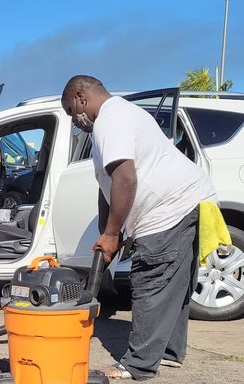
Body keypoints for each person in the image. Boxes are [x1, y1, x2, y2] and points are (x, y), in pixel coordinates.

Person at [61, 75, 215, 380]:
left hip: (168, 209)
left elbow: (126, 179)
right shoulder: (119, 115)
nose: (74, 121)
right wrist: (107, 233)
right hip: (187, 202)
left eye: (71, 113)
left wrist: (113, 233)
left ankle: (138, 364)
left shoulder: (110, 120)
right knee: (174, 284)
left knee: (151, 279)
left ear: (81, 98)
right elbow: (106, 185)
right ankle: (169, 352)